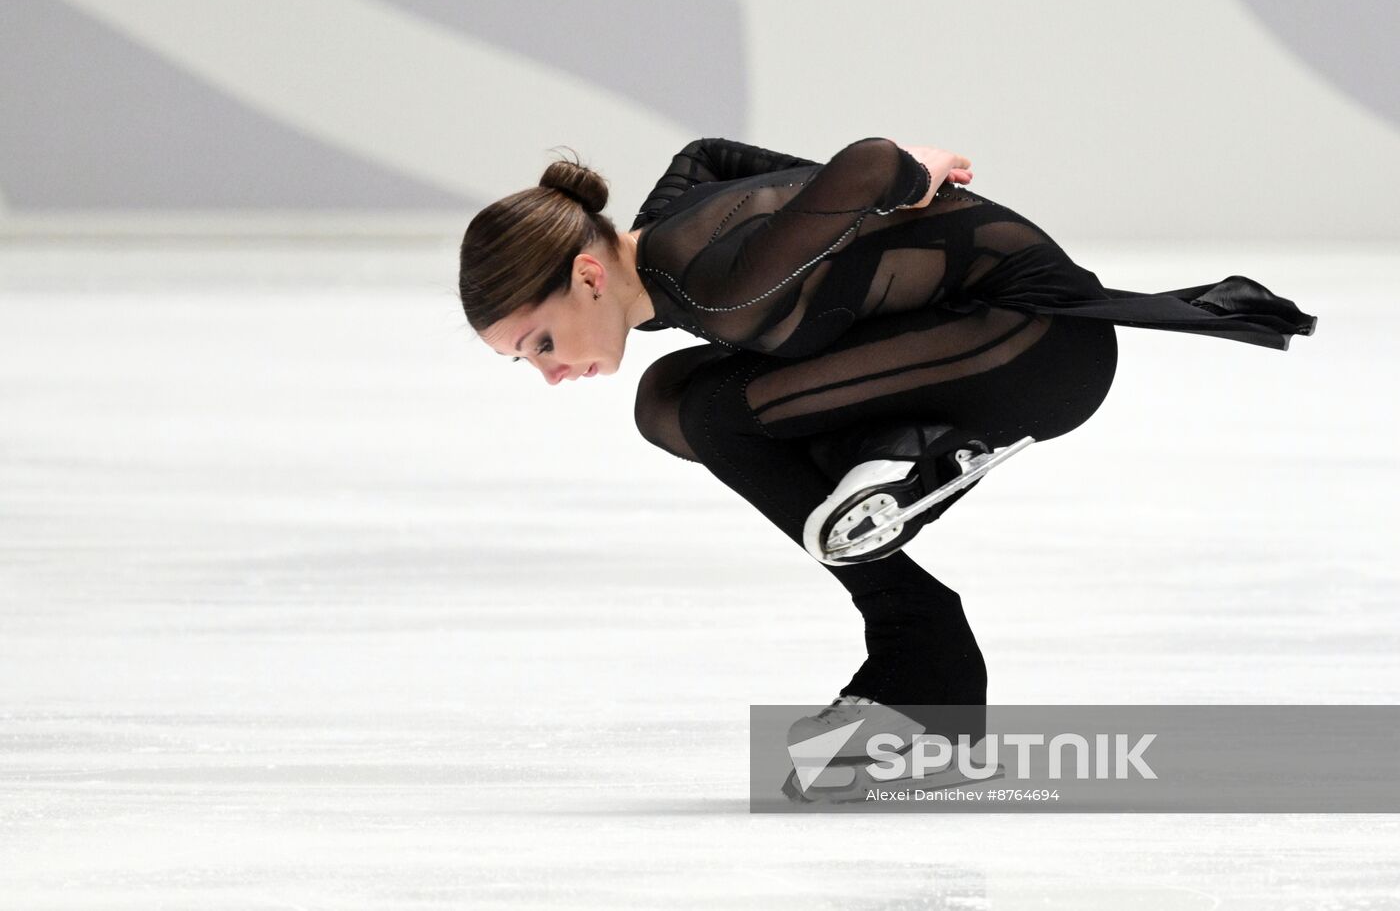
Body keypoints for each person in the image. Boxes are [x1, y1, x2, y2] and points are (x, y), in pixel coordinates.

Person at [457, 137, 1316, 781]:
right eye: (523, 360)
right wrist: (830, 217)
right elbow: (708, 155)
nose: (548, 373)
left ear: (588, 277)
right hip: (964, 345)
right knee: (669, 401)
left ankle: (913, 472)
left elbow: (867, 162)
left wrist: (911, 176)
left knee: (714, 410)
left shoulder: (722, 284)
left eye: (538, 342)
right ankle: (921, 641)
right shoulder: (658, 243)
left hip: (1031, 351)